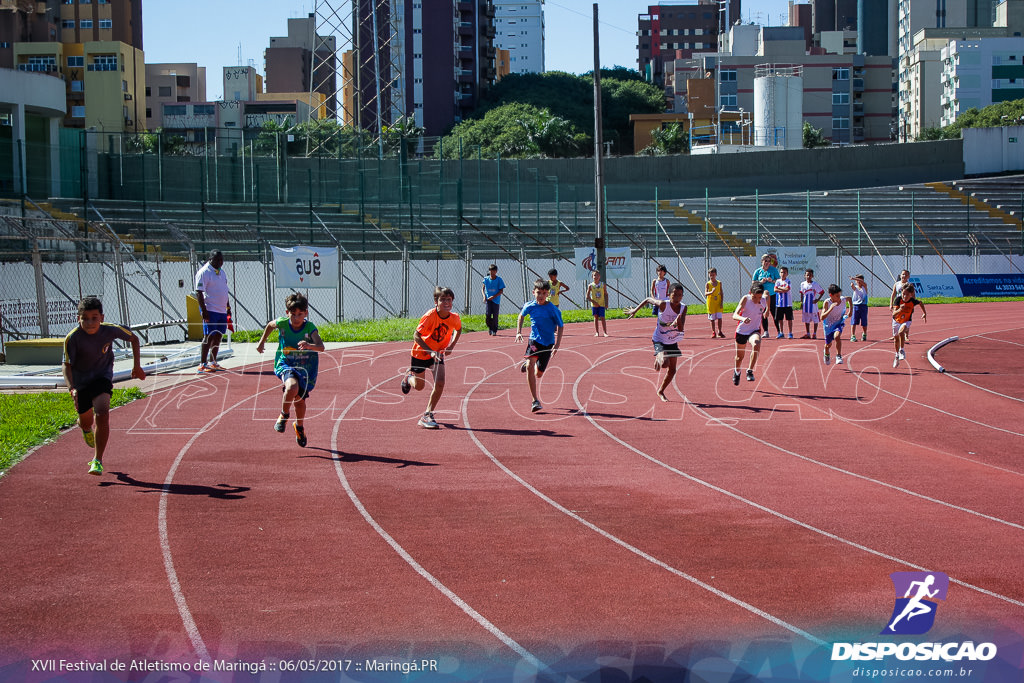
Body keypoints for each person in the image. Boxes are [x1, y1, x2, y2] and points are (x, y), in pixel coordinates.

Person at [62, 296, 146, 475]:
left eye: (94, 317)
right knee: (87, 420)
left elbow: (135, 339)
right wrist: (72, 388)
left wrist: (136, 366)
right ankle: (85, 427)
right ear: (79, 319)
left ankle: (97, 460)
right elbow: (66, 365)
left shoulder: (111, 330)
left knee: (102, 413)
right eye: (85, 318)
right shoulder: (73, 338)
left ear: (102, 317)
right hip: (81, 382)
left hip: (102, 377)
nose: (90, 322)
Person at [255, 292, 326, 446]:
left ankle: (299, 427)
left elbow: (321, 347)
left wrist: (309, 346)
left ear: (306, 313)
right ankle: (284, 415)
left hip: (305, 368)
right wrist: (262, 342)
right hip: (286, 363)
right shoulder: (282, 323)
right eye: (293, 314)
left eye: (300, 314)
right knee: (292, 386)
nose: (296, 318)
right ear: (287, 313)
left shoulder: (310, 327)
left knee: (300, 401)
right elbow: (269, 325)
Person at [398, 286, 463, 429]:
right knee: (419, 386)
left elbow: (458, 329)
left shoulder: (454, 318)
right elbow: (416, 336)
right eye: (443, 299)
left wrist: (451, 346)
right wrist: (430, 351)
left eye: (449, 300)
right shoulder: (429, 316)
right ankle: (408, 377)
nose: (446, 302)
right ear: (436, 301)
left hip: (438, 353)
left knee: (440, 382)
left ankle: (427, 414)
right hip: (421, 353)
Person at [626, 283, 687, 402]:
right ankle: (658, 357)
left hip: (672, 339)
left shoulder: (683, 308)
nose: (677, 298)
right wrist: (635, 310)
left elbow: (681, 329)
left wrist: (678, 321)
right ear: (669, 295)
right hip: (659, 338)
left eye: (680, 295)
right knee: (664, 363)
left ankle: (661, 391)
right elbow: (648, 299)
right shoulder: (663, 304)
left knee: (672, 369)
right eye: (674, 295)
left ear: (682, 296)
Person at [516, 279, 564, 413]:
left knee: (539, 374)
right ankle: (534, 400)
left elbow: (560, 326)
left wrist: (557, 344)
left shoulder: (553, 309)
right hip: (534, 341)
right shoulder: (530, 306)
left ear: (548, 293)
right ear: (533, 293)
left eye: (544, 293)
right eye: (538, 293)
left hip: (548, 344)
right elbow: (521, 316)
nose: (541, 296)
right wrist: (518, 332)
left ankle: (527, 365)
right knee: (531, 365)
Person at [194, 249, 232, 373]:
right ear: (210, 259)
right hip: (210, 309)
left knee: (218, 335)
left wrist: (228, 307)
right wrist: (204, 310)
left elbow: (224, 290)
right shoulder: (204, 272)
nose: (220, 262)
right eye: (217, 259)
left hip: (221, 310)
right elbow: (199, 292)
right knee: (209, 336)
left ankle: (213, 361)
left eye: (221, 260)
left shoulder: (222, 273)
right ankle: (202, 363)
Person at [731, 282, 768, 385]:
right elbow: (734, 315)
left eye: (759, 297)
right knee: (739, 357)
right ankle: (737, 372)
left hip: (754, 330)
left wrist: (767, 309)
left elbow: (767, 294)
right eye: (754, 297)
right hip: (742, 331)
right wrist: (743, 318)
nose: (757, 300)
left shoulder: (763, 300)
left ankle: (750, 371)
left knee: (756, 343)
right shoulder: (745, 299)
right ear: (750, 293)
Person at [891, 285, 927, 368]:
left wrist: (924, 313)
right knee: (896, 339)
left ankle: (902, 350)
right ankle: (896, 356)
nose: (905, 296)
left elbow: (921, 303)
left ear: (911, 294)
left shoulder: (912, 301)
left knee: (901, 332)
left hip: (907, 321)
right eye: (903, 294)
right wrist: (900, 309)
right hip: (896, 321)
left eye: (907, 294)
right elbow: (893, 313)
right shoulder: (898, 300)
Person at [820, 284, 852, 366]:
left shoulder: (843, 300)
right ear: (831, 295)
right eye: (837, 296)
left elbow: (850, 299)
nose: (839, 298)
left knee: (837, 336)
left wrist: (851, 310)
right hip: (828, 326)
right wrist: (830, 309)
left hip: (839, 322)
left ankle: (838, 356)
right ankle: (826, 353)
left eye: (839, 295)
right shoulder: (827, 303)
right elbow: (822, 317)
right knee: (828, 345)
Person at [752, 253, 780, 337]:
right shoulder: (758, 271)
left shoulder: (774, 270)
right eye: (765, 261)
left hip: (772, 294)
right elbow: (753, 282)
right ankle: (766, 331)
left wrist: (772, 280)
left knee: (774, 312)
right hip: (762, 295)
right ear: (762, 261)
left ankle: (779, 331)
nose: (767, 262)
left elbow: (778, 280)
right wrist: (761, 282)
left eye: (769, 261)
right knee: (763, 313)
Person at [799, 269, 825, 339]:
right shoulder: (803, 284)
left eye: (810, 275)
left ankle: (814, 333)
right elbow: (802, 293)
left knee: (815, 319)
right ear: (805, 275)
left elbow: (822, 292)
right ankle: (808, 333)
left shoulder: (815, 284)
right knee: (806, 319)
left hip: (813, 305)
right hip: (805, 305)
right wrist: (801, 302)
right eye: (807, 275)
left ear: (812, 276)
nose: (808, 276)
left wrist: (817, 299)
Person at [481, 264, 505, 336]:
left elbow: (501, 291)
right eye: (491, 271)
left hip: (496, 301)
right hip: (488, 300)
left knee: (495, 315)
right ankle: (490, 327)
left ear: (496, 271)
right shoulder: (486, 279)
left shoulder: (499, 280)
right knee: (488, 314)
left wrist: (494, 296)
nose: (492, 272)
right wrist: (484, 296)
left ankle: (494, 330)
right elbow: (483, 288)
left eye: (493, 271)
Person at [586, 269, 609, 337]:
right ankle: (597, 332)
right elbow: (587, 297)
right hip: (594, 305)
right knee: (595, 317)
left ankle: (605, 332)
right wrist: (593, 302)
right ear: (592, 276)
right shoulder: (590, 285)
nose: (596, 277)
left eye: (597, 275)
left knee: (602, 317)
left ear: (600, 276)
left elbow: (606, 294)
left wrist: (606, 303)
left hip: (601, 303)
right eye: (594, 275)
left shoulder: (602, 284)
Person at [774, 266, 794, 339]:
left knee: (789, 319)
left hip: (787, 303)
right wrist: (782, 289)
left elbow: (787, 289)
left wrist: (779, 288)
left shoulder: (788, 281)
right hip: (779, 303)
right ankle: (781, 332)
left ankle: (790, 332)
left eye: (784, 272)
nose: (783, 274)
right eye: (781, 272)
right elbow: (775, 290)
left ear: (787, 273)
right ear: (780, 273)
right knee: (780, 319)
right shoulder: (777, 281)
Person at [705, 267, 725, 338]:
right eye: (710, 275)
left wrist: (721, 302)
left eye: (713, 275)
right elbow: (705, 293)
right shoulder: (708, 284)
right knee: (712, 319)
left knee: (719, 317)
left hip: (718, 302)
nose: (712, 276)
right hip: (711, 303)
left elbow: (722, 293)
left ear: (716, 275)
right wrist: (711, 292)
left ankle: (720, 331)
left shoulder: (719, 283)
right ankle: (713, 332)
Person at [849, 274, 869, 342]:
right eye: (857, 281)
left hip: (863, 306)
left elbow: (862, 282)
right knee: (854, 321)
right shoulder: (856, 287)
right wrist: (852, 284)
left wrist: (854, 278)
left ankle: (864, 333)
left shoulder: (865, 287)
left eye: (860, 280)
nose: (858, 282)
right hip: (856, 306)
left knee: (864, 322)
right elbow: (853, 287)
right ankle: (853, 335)